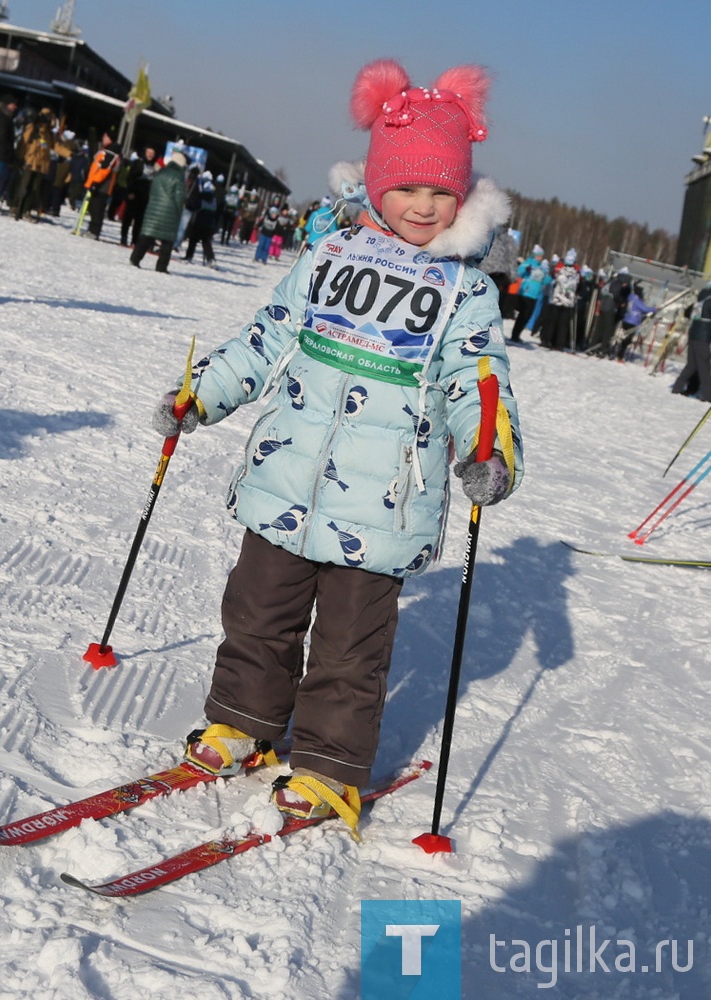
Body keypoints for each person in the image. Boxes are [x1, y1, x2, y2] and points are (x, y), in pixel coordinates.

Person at [151, 59, 523, 835]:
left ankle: (326, 763)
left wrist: (487, 451)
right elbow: (267, 340)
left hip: (384, 500)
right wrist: (203, 394)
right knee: (258, 610)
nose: (423, 205)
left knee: (351, 646)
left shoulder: (464, 290)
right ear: (378, 184)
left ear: (462, 194)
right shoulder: (330, 258)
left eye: (440, 191)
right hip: (289, 473)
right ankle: (243, 723)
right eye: (407, 187)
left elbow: (477, 380)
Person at [129, 149, 186, 272]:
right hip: (170, 212)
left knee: (148, 235)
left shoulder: (161, 171)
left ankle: (135, 258)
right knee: (167, 240)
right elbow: (179, 196)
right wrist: (179, 208)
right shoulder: (179, 176)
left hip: (154, 207)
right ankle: (161, 267)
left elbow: (152, 188)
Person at [672, 283, 711, 402]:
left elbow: (687, 313)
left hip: (693, 334)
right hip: (703, 337)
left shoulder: (699, 301)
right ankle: (708, 396)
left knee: (691, 365)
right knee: (704, 367)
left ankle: (677, 387)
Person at [84, 130, 121, 239]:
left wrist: (96, 182)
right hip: (98, 184)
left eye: (105, 137)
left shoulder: (110, 152)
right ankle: (92, 229)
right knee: (93, 207)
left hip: (102, 186)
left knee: (97, 209)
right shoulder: (106, 150)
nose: (103, 139)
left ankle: (94, 231)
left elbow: (104, 169)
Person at [541, 248, 580, 351]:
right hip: (568, 301)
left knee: (553, 321)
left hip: (558, 299)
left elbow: (559, 281)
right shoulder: (576, 274)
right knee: (563, 324)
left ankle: (548, 340)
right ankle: (559, 344)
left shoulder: (561, 271)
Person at [509, 245, 550, 342]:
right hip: (525, 293)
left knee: (527, 316)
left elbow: (544, 281)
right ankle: (514, 335)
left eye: (541, 256)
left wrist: (549, 276)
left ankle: (518, 335)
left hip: (535, 295)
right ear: (534, 255)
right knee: (522, 315)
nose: (540, 258)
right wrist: (526, 269)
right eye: (539, 256)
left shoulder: (541, 267)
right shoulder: (528, 263)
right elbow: (519, 272)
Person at [614, 282, 655, 360]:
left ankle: (619, 353)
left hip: (626, 320)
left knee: (625, 338)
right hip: (632, 321)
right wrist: (654, 309)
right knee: (627, 340)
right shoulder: (637, 299)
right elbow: (644, 308)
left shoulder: (631, 297)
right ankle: (620, 355)